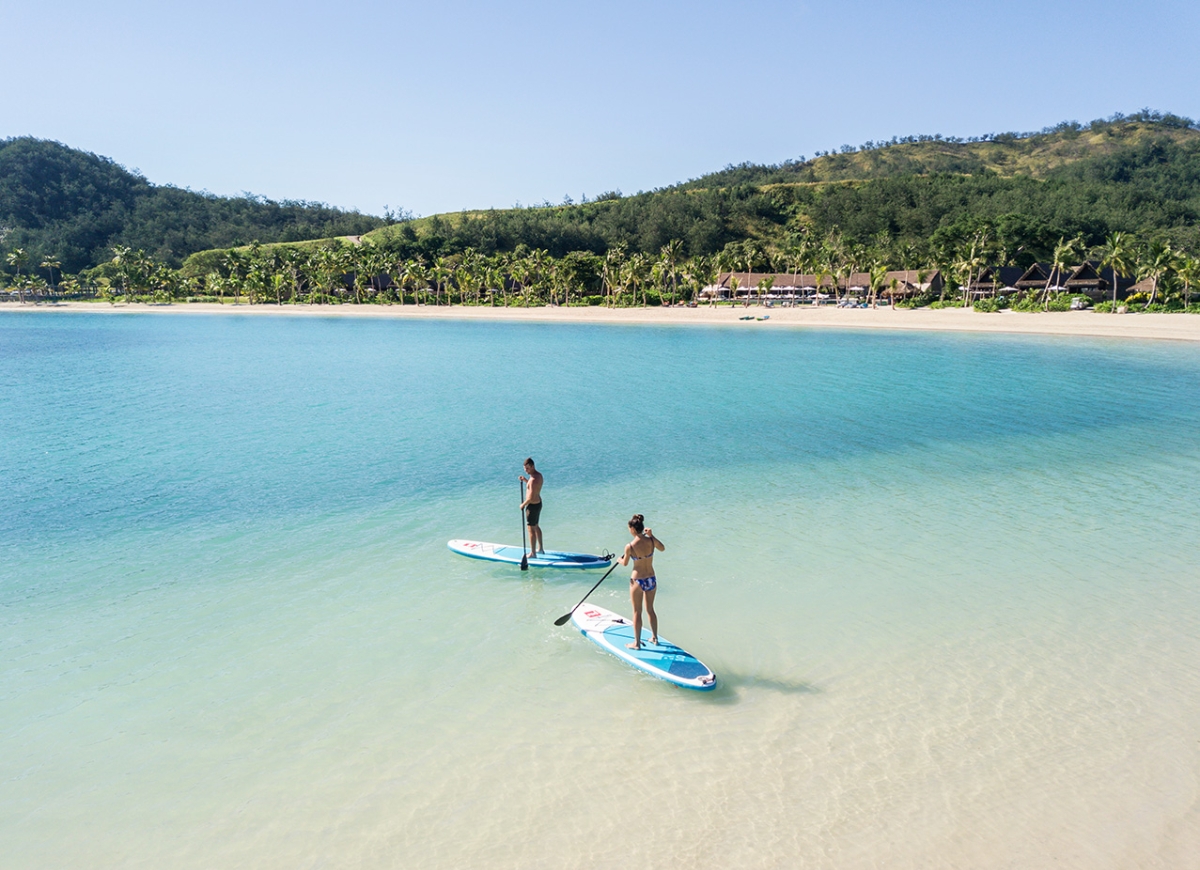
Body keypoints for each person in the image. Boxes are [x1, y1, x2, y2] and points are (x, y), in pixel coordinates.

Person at [617, 514, 664, 650]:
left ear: (632, 529)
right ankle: (655, 638)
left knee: (637, 611)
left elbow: (625, 563)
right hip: (651, 578)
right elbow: (662, 548)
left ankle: (637, 643)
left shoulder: (630, 546)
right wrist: (652, 535)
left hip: (637, 580)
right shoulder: (651, 541)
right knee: (650, 609)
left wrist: (619, 560)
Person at [519, 457, 544, 556]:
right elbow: (533, 488)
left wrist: (523, 505)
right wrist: (525, 480)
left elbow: (530, 497)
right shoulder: (538, 476)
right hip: (538, 504)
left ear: (533, 466)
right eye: (525, 469)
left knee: (531, 529)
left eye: (528, 468)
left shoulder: (533, 479)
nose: (526, 471)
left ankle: (533, 553)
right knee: (536, 526)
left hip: (532, 507)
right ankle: (540, 549)